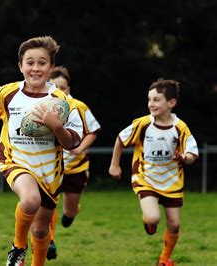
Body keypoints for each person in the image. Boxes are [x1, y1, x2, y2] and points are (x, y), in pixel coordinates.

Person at [0, 36, 84, 266]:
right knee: (30, 200)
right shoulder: (6, 94)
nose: (35, 68)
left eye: (42, 63)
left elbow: (72, 143)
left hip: (49, 172)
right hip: (15, 160)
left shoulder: (62, 101)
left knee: (41, 231)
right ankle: (18, 247)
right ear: (20, 66)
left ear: (51, 67)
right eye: (29, 62)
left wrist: (56, 126)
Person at [108, 79, 198, 266]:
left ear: (171, 103)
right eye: (149, 100)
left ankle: (164, 259)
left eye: (156, 100)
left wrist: (184, 158)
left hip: (172, 182)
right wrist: (114, 165)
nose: (151, 104)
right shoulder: (142, 124)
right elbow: (120, 139)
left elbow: (192, 153)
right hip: (146, 179)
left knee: (174, 225)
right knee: (153, 217)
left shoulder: (180, 128)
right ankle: (149, 220)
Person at [46, 66, 101, 260]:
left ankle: (71, 213)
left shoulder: (79, 106)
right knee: (49, 205)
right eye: (55, 87)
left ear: (69, 88)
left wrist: (79, 147)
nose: (60, 90)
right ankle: (49, 241)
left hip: (76, 168)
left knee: (68, 211)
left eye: (64, 87)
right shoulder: (43, 106)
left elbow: (93, 131)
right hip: (51, 168)